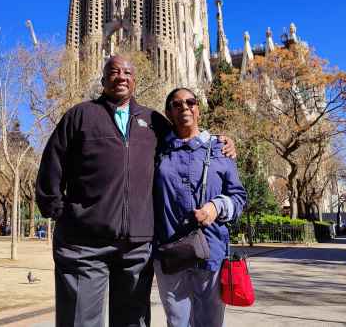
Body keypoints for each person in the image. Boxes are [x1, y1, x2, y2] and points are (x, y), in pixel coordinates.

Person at [36, 55, 236, 327]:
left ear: (135, 81)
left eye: (127, 72)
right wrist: (62, 213)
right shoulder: (81, 115)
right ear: (103, 79)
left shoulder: (153, 121)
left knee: (133, 321)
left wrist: (220, 142)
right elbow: (52, 165)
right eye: (114, 72)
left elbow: (186, 141)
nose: (121, 77)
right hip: (85, 242)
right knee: (79, 320)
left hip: (136, 247)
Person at [153, 88, 247, 327]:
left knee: (210, 323)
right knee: (177, 323)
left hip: (211, 252)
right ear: (168, 112)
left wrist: (216, 207)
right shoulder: (156, 150)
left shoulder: (219, 148)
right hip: (170, 252)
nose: (184, 107)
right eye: (177, 104)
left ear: (198, 109)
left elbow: (238, 197)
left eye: (190, 102)